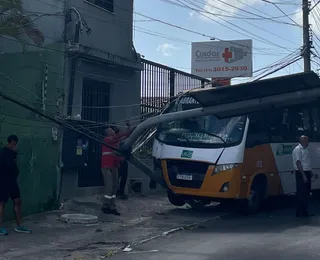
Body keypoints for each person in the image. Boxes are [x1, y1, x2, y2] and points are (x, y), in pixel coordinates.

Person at [0, 135, 31, 235]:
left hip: (13, 182)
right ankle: (0, 227)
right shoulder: (2, 153)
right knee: (1, 204)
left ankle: (20, 226)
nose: (14, 146)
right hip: (3, 182)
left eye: (15, 144)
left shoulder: (14, 154)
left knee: (18, 201)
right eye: (13, 144)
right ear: (8, 143)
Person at [100, 124, 133, 215]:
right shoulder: (107, 140)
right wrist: (127, 132)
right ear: (107, 134)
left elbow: (119, 143)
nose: (113, 131)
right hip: (107, 167)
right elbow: (117, 138)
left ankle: (112, 206)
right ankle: (105, 206)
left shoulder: (116, 143)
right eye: (111, 131)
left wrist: (129, 132)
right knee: (109, 187)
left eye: (113, 130)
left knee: (114, 188)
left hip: (115, 166)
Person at [292, 135, 314, 218]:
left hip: (306, 172)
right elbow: (298, 163)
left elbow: (306, 162)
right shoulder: (298, 150)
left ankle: (304, 211)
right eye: (307, 141)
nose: (308, 142)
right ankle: (299, 211)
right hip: (301, 173)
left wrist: (310, 172)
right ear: (303, 141)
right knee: (301, 193)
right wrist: (304, 175)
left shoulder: (305, 149)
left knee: (307, 192)